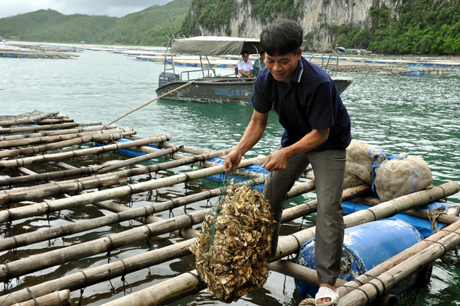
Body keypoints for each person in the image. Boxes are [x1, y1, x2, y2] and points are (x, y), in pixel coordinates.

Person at [223, 19, 351, 306]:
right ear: (262, 57)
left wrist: (286, 153)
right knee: (271, 195)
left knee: (329, 207)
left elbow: (321, 134)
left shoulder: (318, 83)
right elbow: (257, 121)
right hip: (294, 137)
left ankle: (327, 284)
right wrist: (238, 151)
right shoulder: (265, 79)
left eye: (284, 61)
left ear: (299, 54)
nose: (277, 68)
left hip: (328, 143)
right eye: (271, 61)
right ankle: (265, 254)